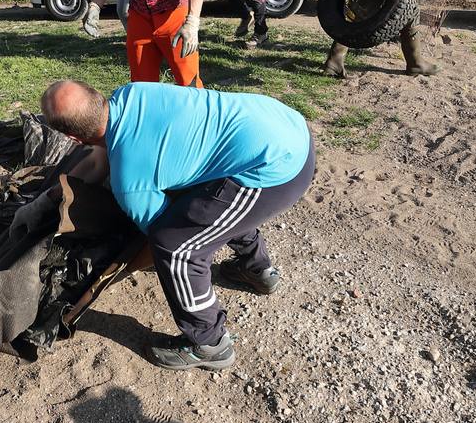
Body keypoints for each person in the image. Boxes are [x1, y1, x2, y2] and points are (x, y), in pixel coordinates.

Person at [41, 79, 316, 370]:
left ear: (72, 138)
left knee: (175, 247)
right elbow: (113, 156)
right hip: (283, 123)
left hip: (279, 168)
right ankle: (256, 269)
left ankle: (211, 344)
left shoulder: (131, 184)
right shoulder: (133, 92)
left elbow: (162, 241)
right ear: (96, 96)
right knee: (203, 209)